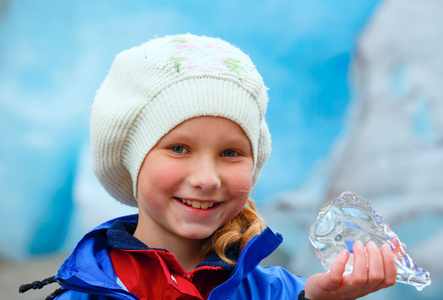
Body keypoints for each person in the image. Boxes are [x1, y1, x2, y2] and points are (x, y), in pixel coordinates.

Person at [19, 33, 397, 300]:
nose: (206, 179)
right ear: (133, 162)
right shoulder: (87, 293)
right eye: (179, 148)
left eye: (231, 153)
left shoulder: (281, 293)